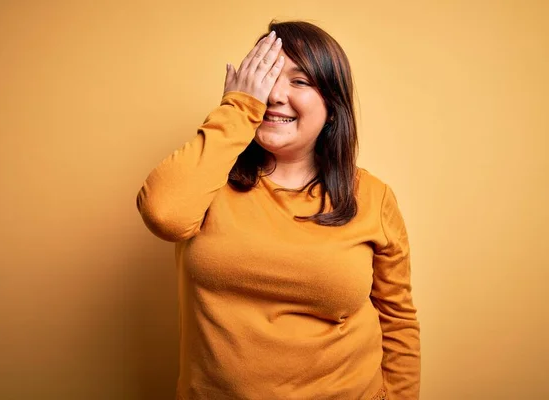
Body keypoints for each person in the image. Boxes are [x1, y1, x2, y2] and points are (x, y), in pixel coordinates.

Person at [137, 20, 420, 400]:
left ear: (332, 108)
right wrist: (237, 109)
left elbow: (397, 320)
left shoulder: (372, 197)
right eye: (266, 75)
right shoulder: (209, 179)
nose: (273, 94)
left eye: (299, 81)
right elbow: (163, 213)